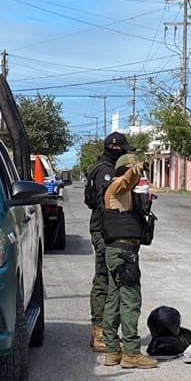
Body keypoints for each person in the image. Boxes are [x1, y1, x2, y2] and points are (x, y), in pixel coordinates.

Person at [101, 153, 158, 369]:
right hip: (124, 253)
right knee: (130, 300)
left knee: (114, 300)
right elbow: (128, 179)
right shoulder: (118, 186)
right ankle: (131, 353)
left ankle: (112, 350)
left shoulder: (122, 192)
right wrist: (138, 168)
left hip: (117, 251)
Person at [85, 132, 134, 353]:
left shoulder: (102, 167)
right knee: (104, 279)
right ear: (115, 149)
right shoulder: (105, 170)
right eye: (123, 150)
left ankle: (106, 331)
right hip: (104, 230)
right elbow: (104, 201)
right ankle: (100, 333)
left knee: (108, 278)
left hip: (104, 229)